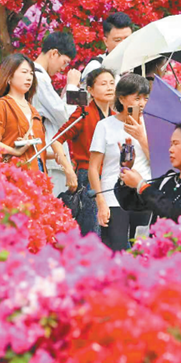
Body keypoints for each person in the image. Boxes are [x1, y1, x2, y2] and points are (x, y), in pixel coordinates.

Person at [0, 53, 75, 183]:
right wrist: (14, 151)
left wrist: (54, 155)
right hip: (15, 180)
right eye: (24, 72)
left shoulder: (33, 110)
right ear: (9, 77)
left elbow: (33, 150)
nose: (29, 77)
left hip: (38, 177)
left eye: (31, 73)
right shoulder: (2, 105)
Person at [88, 73, 151, 251]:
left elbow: (159, 164)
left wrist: (142, 137)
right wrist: (100, 201)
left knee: (141, 249)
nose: (142, 103)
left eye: (145, 98)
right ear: (122, 98)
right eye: (137, 98)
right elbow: (93, 168)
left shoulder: (150, 125)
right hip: (113, 196)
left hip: (143, 193)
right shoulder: (105, 125)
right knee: (115, 249)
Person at [55, 67, 116, 236]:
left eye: (112, 83)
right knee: (93, 231)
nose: (110, 87)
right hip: (88, 178)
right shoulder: (83, 113)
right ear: (90, 90)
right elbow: (57, 140)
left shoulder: (115, 116)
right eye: (103, 84)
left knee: (112, 232)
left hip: (111, 178)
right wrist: (68, 170)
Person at [116, 121, 181, 223]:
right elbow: (129, 202)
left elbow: (175, 214)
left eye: (176, 144)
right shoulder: (168, 180)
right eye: (170, 144)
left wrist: (142, 186)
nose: (170, 149)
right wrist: (125, 169)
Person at [32, 31, 81, 195]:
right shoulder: (39, 78)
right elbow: (67, 119)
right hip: (50, 156)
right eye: (65, 62)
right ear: (53, 53)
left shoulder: (35, 76)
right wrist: (73, 87)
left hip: (49, 155)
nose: (63, 68)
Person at [81, 12, 133, 83]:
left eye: (128, 39)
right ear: (106, 41)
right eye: (118, 40)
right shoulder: (96, 67)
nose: (124, 44)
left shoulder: (141, 65)